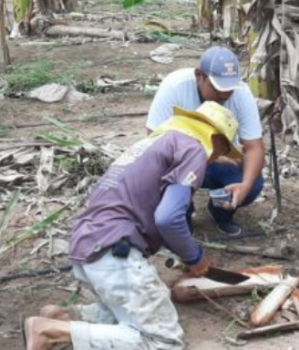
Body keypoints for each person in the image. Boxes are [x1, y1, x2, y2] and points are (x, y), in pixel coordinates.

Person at [23, 102, 243, 350]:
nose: (214, 158)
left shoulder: (159, 141)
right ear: (216, 139)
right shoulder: (193, 148)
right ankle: (51, 332)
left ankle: (63, 317)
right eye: (220, 150)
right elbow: (168, 218)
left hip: (91, 240)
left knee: (132, 313)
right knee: (164, 342)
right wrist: (194, 258)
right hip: (116, 251)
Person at [147, 46, 264, 236]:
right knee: (159, 171)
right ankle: (182, 215)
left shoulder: (241, 93)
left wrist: (246, 186)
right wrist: (208, 156)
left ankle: (222, 213)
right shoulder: (174, 87)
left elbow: (254, 147)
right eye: (218, 89)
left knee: (252, 181)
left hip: (222, 162)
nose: (224, 95)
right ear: (199, 75)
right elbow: (154, 142)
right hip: (179, 162)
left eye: (229, 90)